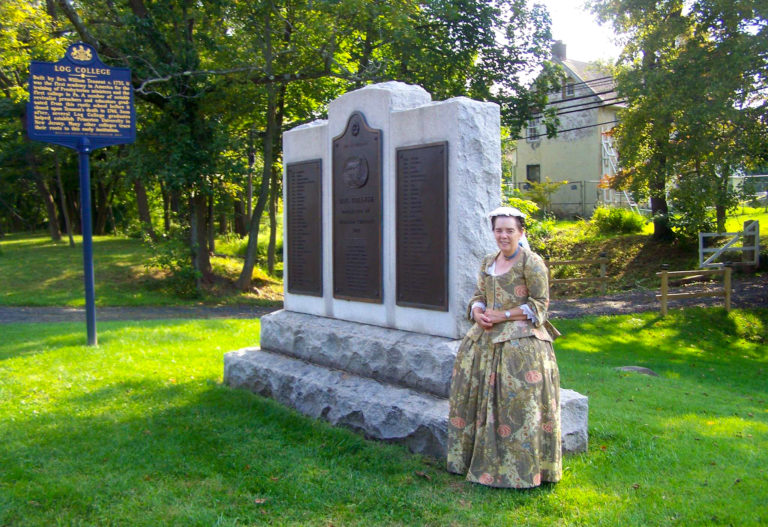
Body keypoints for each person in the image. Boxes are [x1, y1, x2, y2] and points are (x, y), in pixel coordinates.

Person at [447, 206, 562, 488]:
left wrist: (504, 315)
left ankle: (520, 470)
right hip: (485, 340)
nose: (504, 235)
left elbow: (540, 306)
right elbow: (478, 295)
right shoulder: (488, 261)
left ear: (521, 232)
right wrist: (477, 310)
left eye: (510, 230)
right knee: (472, 399)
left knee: (517, 404)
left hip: (520, 347)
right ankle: (474, 462)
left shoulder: (531, 263)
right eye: (499, 230)